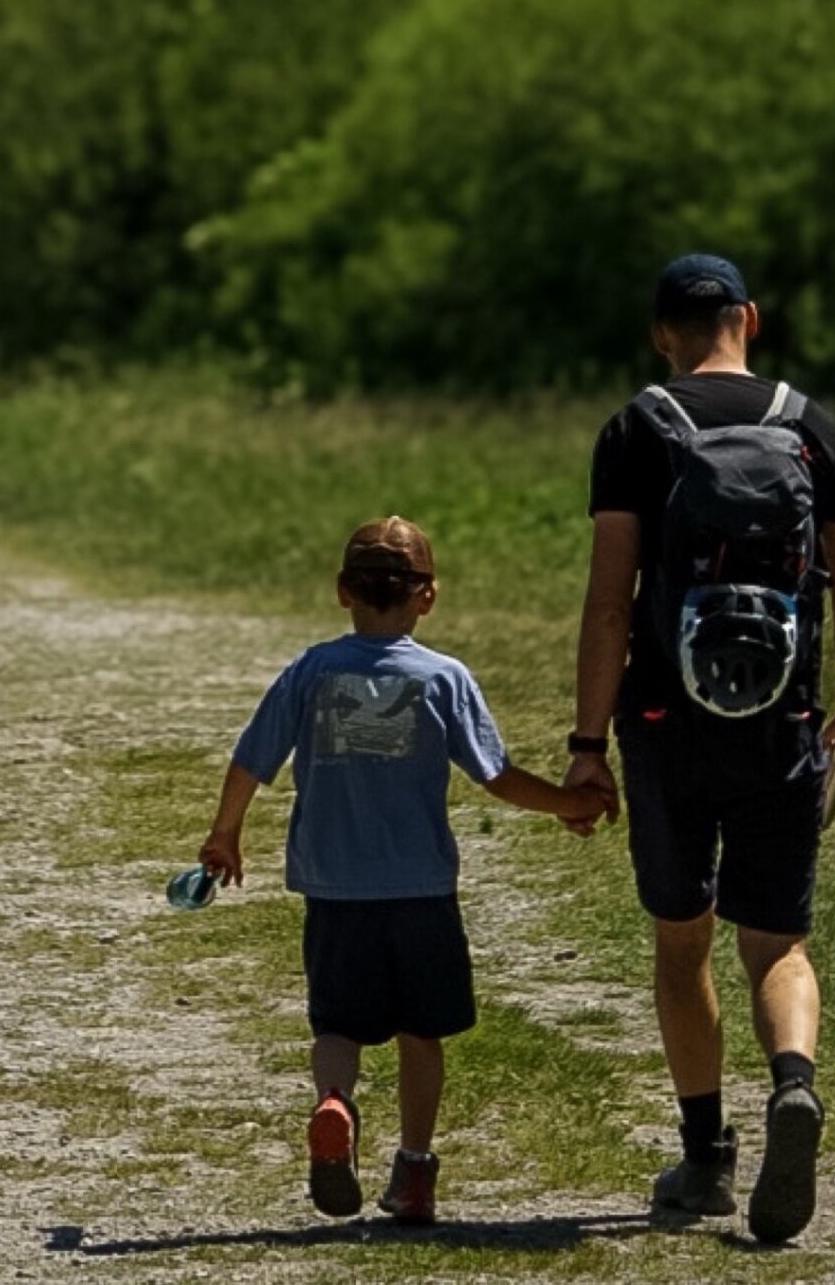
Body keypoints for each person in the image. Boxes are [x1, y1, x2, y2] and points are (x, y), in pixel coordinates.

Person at [563, 254, 835, 1244]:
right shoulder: (806, 423)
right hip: (782, 721)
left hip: (665, 725)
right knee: (775, 940)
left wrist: (585, 743)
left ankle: (704, 1159)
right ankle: (793, 1082)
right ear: (747, 317)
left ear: (662, 331)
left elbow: (610, 604)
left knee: (679, 937)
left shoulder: (637, 427)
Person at [196, 516, 609, 1227]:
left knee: (338, 1026)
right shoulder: (443, 678)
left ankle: (334, 1104)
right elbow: (495, 776)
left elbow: (251, 760)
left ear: (341, 592)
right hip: (419, 889)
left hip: (334, 889)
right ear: (428, 596)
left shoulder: (312, 672)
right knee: (424, 1033)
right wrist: (570, 802)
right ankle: (414, 1173)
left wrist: (224, 834)